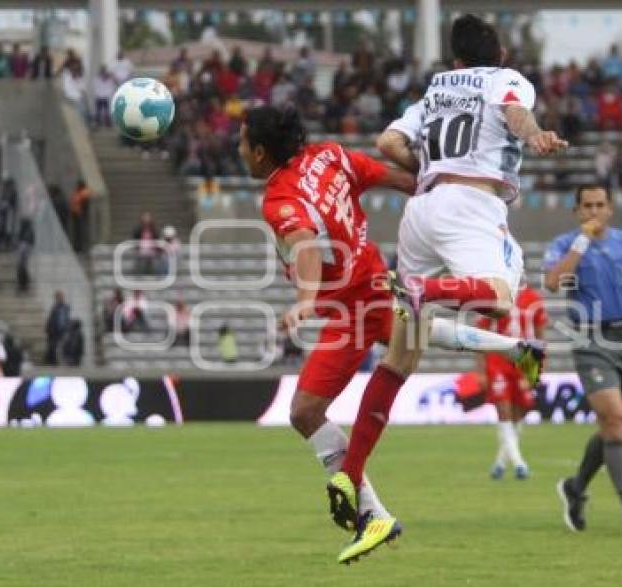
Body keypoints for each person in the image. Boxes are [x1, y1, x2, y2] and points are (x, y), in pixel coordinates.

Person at [239, 101, 550, 565]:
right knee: (416, 332)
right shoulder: (331, 156)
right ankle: (515, 348)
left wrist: (305, 299)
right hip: (375, 280)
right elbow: (397, 179)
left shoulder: (279, 198)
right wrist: (449, 199)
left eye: (243, 140)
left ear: (260, 152)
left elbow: (304, 244)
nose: (239, 148)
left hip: (349, 310)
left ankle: (372, 514)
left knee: (305, 412)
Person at [330, 14, 564, 564]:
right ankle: (425, 288)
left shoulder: (436, 90)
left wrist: (432, 167)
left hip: (421, 207)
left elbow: (389, 142)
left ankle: (351, 472)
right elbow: (514, 111)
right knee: (501, 298)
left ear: (455, 59)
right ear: (499, 52)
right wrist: (535, 135)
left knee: (401, 355)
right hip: (471, 203)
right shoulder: (504, 80)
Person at [546, 185, 622, 536]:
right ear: (577, 211)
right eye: (587, 206)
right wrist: (581, 242)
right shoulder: (564, 244)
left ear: (610, 209)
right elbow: (553, 281)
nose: (594, 211)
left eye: (600, 205)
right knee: (614, 420)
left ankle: (575, 487)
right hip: (589, 337)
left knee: (615, 425)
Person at [477, 285, 547, 480]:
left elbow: (541, 334)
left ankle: (500, 462)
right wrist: (481, 369)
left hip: (525, 360)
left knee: (519, 412)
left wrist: (539, 365)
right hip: (499, 359)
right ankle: (519, 463)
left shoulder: (533, 298)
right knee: (504, 410)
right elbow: (480, 329)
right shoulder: (496, 295)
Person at [44, 291, 70, 365]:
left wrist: (67, 329)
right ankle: (52, 361)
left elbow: (66, 319)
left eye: (61, 297)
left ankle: (61, 360)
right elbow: (51, 320)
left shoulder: (66, 308)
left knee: (61, 346)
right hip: (55, 331)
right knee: (53, 346)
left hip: (62, 330)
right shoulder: (55, 308)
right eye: (58, 298)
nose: (60, 299)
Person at [70, 180, 91, 252]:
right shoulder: (79, 193)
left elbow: (85, 205)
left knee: (80, 232)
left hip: (79, 215)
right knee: (77, 232)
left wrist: (82, 214)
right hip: (76, 214)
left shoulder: (84, 193)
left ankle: (81, 247)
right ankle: (78, 246)